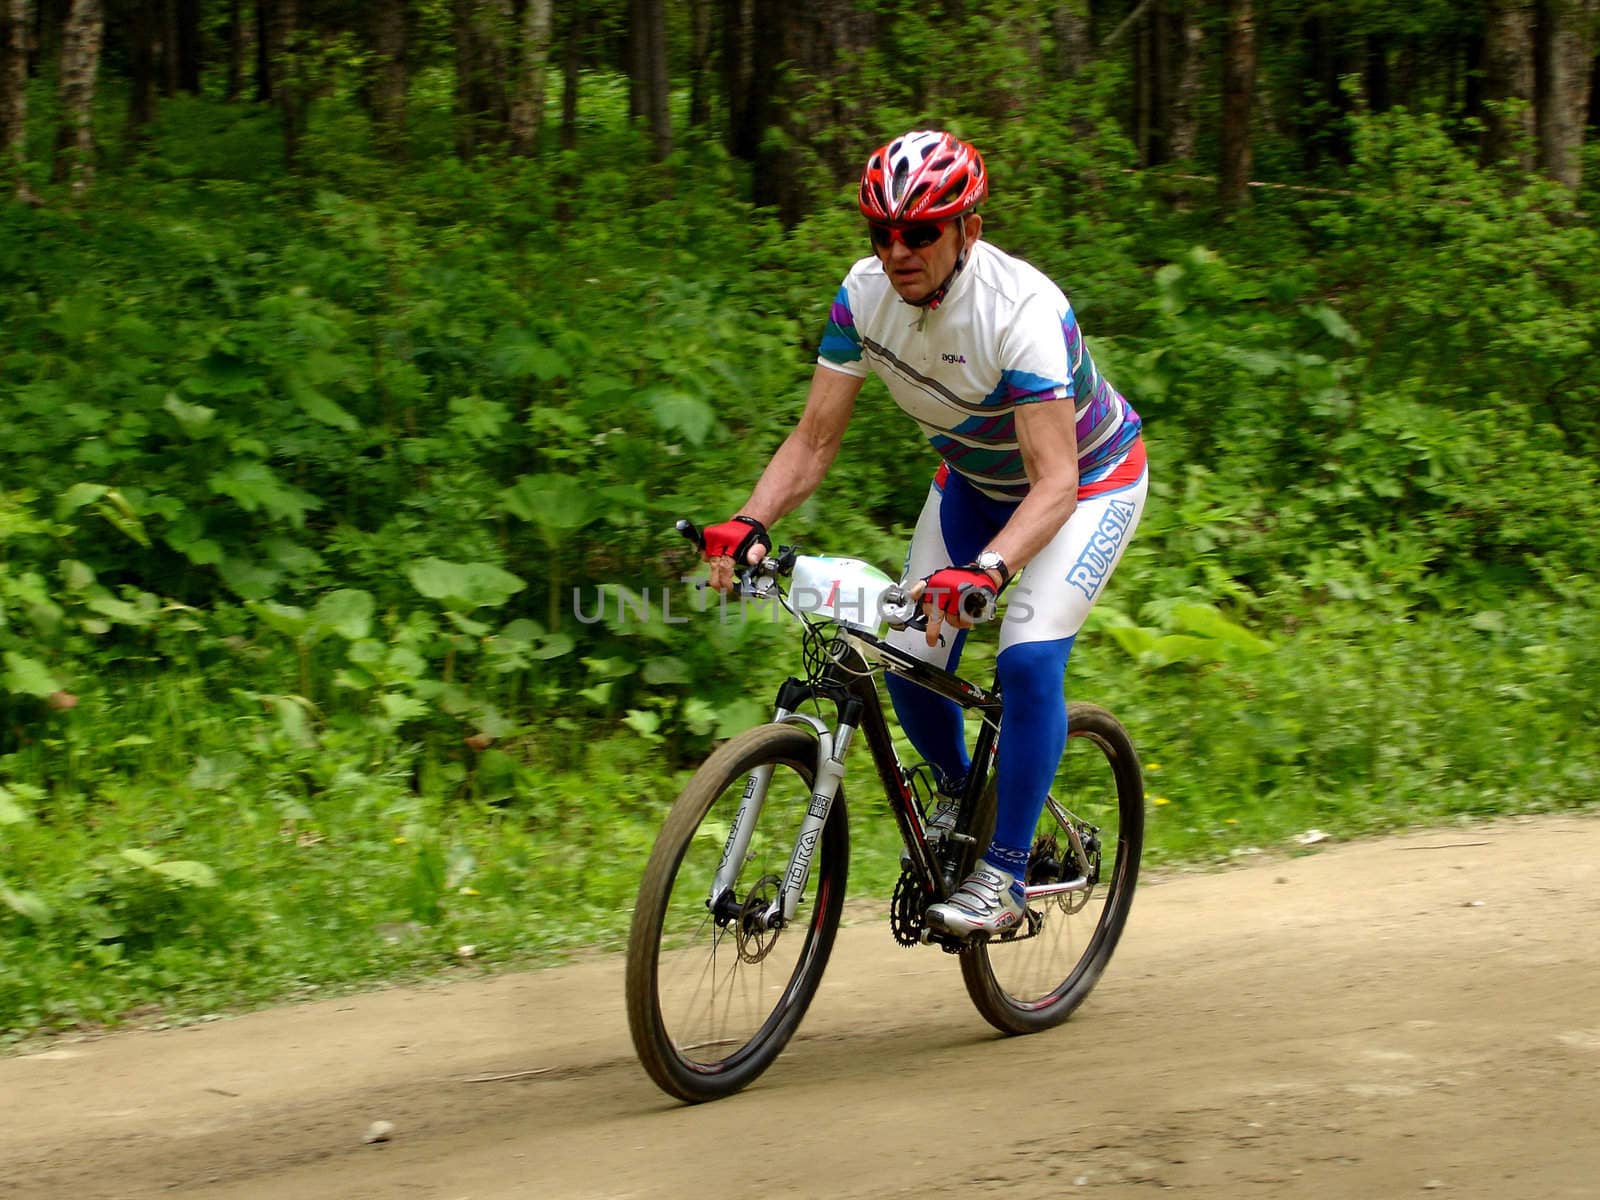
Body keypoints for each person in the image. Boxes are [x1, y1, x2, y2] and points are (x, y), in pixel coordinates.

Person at [701, 130, 1147, 940]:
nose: (897, 251)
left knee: (1026, 651)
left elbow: (1054, 483)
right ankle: (959, 796)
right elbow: (813, 441)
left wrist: (988, 570)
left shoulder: (1022, 311)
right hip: (976, 484)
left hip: (1086, 482)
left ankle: (1006, 873)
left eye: (920, 232)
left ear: (966, 230)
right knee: (903, 645)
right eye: (882, 234)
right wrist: (751, 519)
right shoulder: (861, 299)